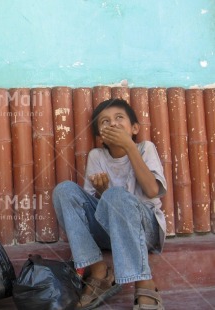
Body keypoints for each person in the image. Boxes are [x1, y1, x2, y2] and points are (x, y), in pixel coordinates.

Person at [53, 98, 166, 310]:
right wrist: (104, 193)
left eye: (119, 118)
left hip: (146, 229)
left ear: (134, 128)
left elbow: (152, 190)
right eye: (104, 122)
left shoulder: (145, 148)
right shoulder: (97, 156)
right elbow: (89, 213)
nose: (112, 123)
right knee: (64, 190)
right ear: (99, 134)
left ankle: (144, 281)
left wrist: (129, 147)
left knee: (116, 195)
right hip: (110, 230)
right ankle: (99, 272)